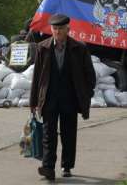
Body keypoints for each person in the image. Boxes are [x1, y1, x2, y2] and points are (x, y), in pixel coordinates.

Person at [29, 14, 96, 181]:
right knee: (48, 134)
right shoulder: (42, 47)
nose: (57, 31)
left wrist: (86, 94)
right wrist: (33, 101)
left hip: (70, 98)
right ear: (51, 29)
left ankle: (67, 166)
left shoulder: (79, 48)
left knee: (68, 134)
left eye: (61, 28)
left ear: (68, 29)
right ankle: (48, 167)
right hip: (49, 98)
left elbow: (90, 75)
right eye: (55, 28)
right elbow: (37, 77)